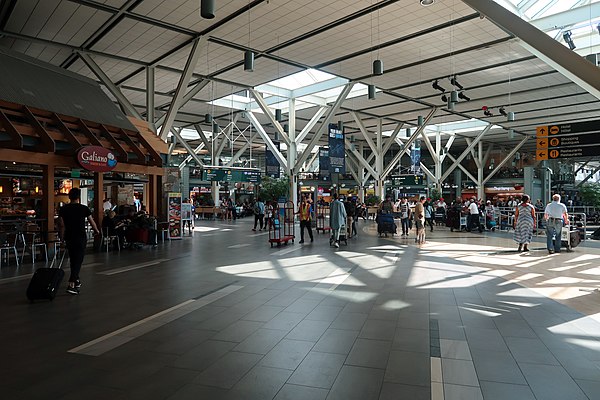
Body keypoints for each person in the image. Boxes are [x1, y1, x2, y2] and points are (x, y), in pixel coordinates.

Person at [57, 188, 100, 295]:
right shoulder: (84, 208)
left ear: (69, 197)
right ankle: (71, 284)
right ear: (78, 197)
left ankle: (76, 280)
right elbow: (91, 221)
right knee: (78, 260)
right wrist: (96, 231)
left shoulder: (63, 209)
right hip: (80, 237)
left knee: (73, 259)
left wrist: (61, 239)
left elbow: (61, 226)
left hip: (69, 237)